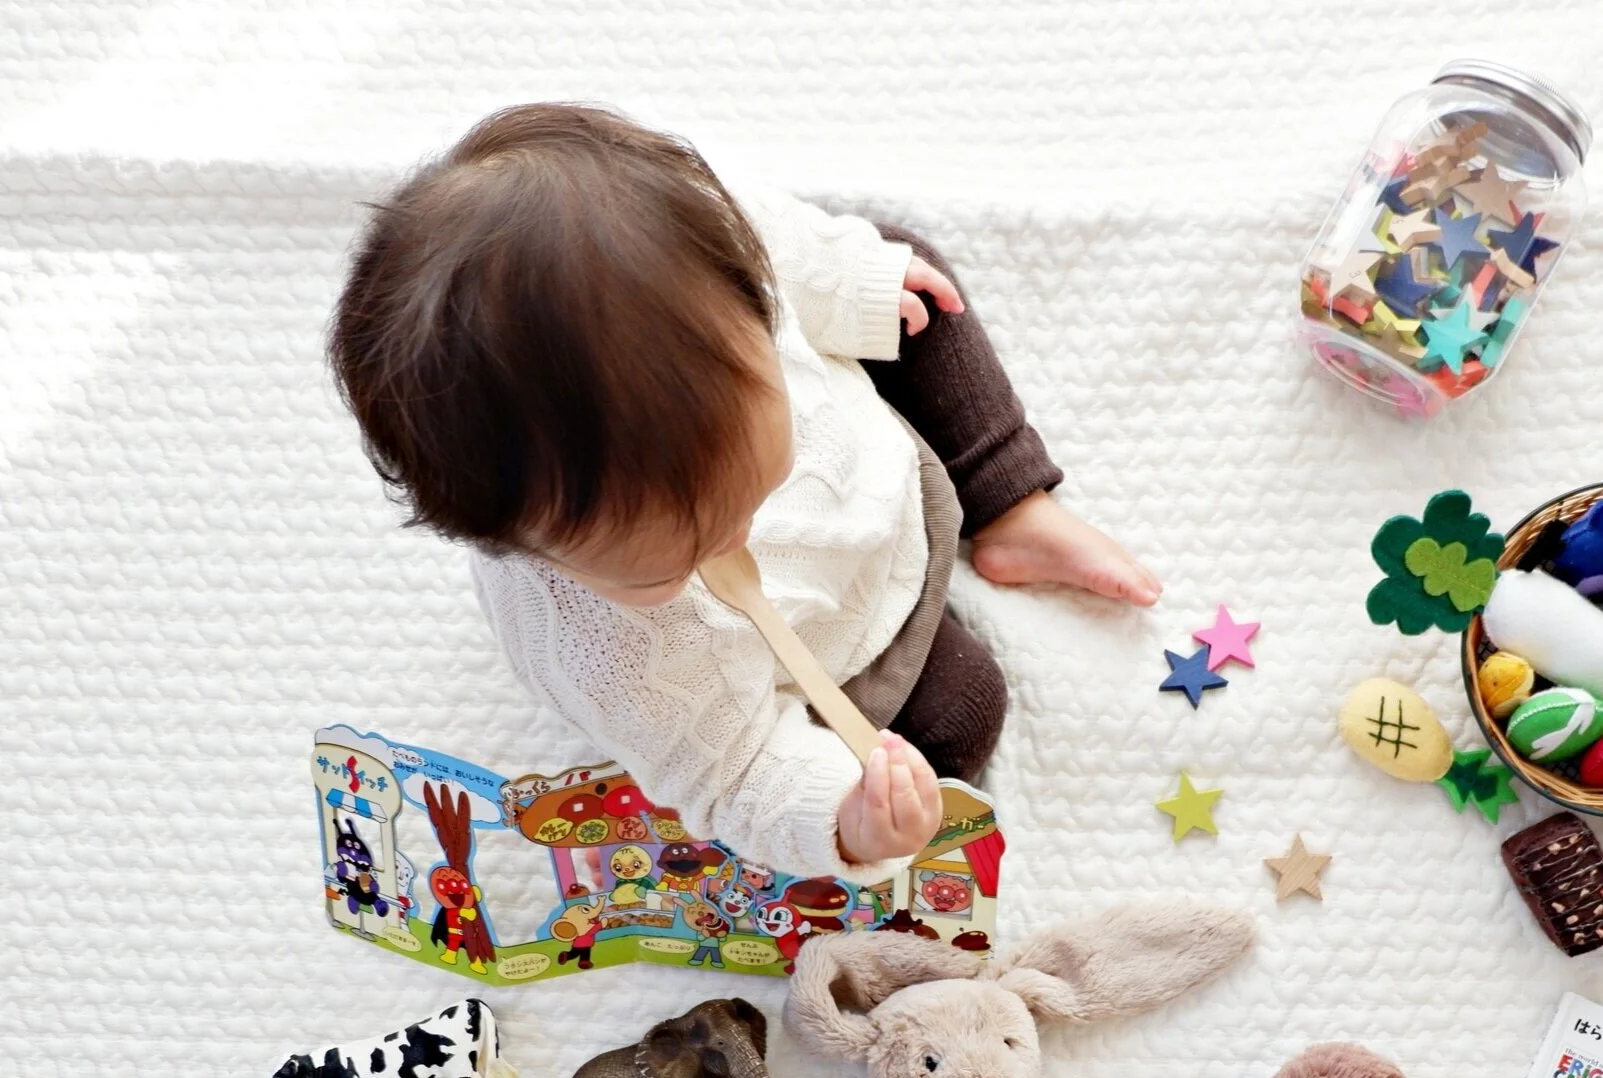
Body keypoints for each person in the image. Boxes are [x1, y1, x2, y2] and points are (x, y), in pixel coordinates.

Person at [329, 103, 1158, 883]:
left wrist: (851, 282)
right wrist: (846, 820)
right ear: (513, 543)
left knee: (909, 286)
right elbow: (736, 773)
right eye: (673, 561)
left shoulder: (712, 249)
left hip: (877, 467)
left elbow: (788, 248)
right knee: (960, 717)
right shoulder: (617, 658)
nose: (736, 541)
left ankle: (1011, 506)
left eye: (754, 488)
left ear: (747, 305)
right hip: (834, 646)